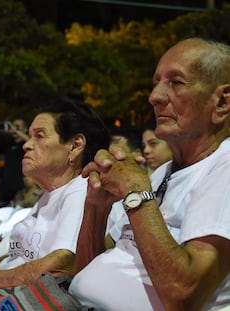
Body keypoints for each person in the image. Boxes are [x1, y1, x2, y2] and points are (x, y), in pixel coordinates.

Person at [70, 38, 230, 310]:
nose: (154, 97)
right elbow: (89, 270)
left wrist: (135, 190)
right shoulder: (162, 174)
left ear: (222, 103)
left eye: (176, 82)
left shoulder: (223, 170)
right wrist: (96, 208)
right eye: (156, 83)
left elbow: (183, 294)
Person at [0, 98, 111, 293]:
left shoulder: (82, 190)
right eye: (30, 136)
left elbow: (65, 263)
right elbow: (30, 257)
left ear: (75, 146)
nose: (26, 145)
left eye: (39, 136)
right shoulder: (52, 194)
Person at [0, 117, 29, 206]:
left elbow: (33, 143)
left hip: (21, 185)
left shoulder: (26, 144)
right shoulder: (8, 143)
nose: (13, 129)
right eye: (12, 126)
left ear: (25, 129)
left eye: (18, 127)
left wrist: (16, 131)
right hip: (6, 184)